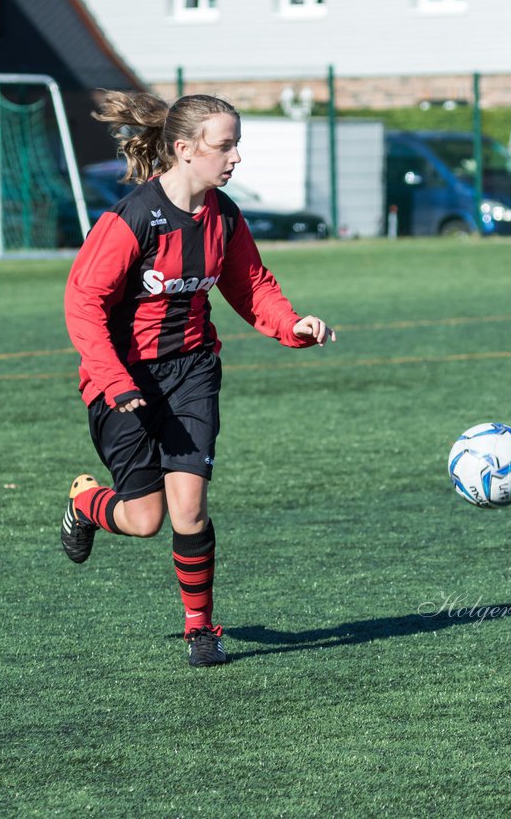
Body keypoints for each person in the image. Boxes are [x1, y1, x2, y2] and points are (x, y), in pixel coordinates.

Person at [60, 91, 335, 666]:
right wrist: (114, 380)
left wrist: (293, 325)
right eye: (225, 146)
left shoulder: (225, 217)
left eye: (237, 145)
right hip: (125, 381)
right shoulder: (131, 219)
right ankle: (87, 504)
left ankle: (200, 627)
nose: (235, 158)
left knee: (189, 509)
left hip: (192, 373)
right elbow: (83, 302)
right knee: (144, 520)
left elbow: (251, 285)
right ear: (185, 150)